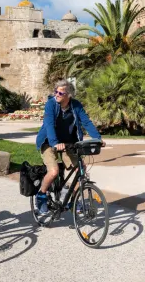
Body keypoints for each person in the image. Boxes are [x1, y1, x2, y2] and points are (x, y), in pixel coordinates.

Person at [35, 79, 101, 216]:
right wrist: (54, 142)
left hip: (68, 143)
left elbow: (86, 122)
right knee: (53, 171)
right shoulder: (51, 104)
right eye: (56, 91)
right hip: (48, 142)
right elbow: (49, 124)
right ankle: (41, 195)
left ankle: (72, 200)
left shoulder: (75, 105)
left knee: (80, 170)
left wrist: (97, 139)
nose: (57, 94)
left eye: (61, 93)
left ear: (69, 95)